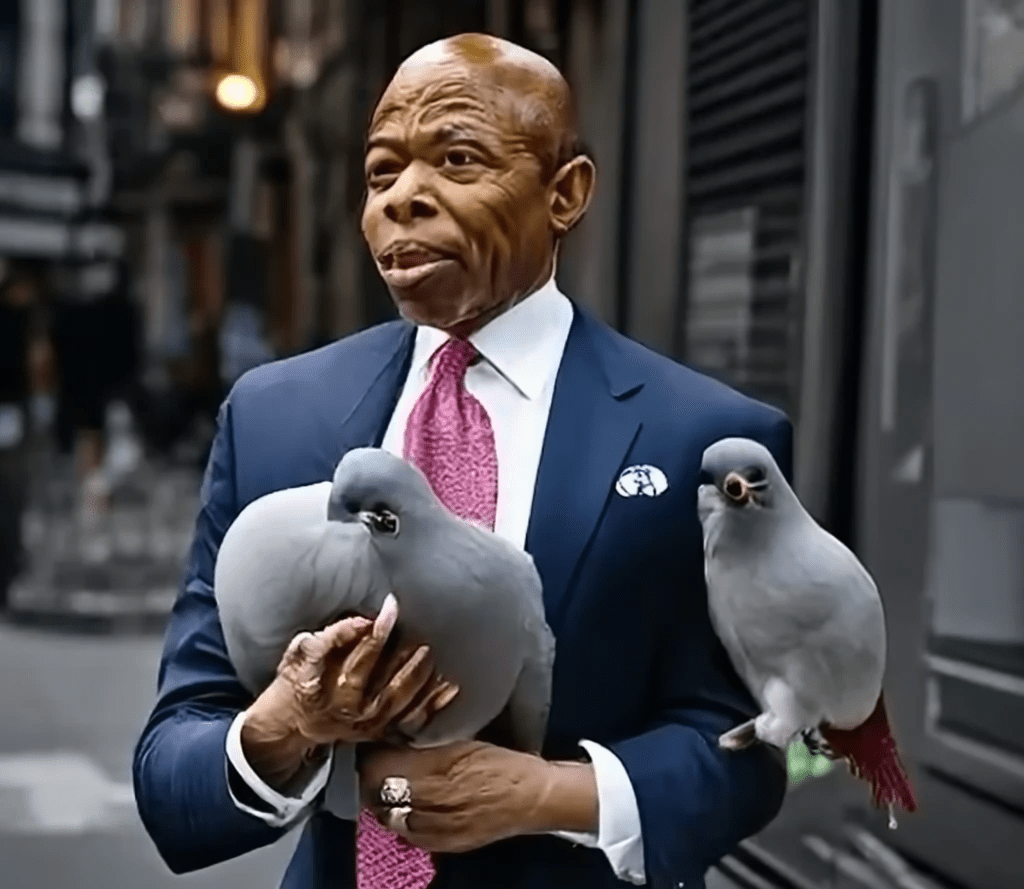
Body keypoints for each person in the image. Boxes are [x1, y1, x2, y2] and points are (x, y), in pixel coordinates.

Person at [133, 33, 794, 889]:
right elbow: (173, 762)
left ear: (566, 193)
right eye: (380, 172)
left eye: (457, 158)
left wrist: (554, 794)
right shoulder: (272, 415)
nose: (404, 198)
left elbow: (754, 747)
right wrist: (285, 724)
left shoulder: (704, 437)